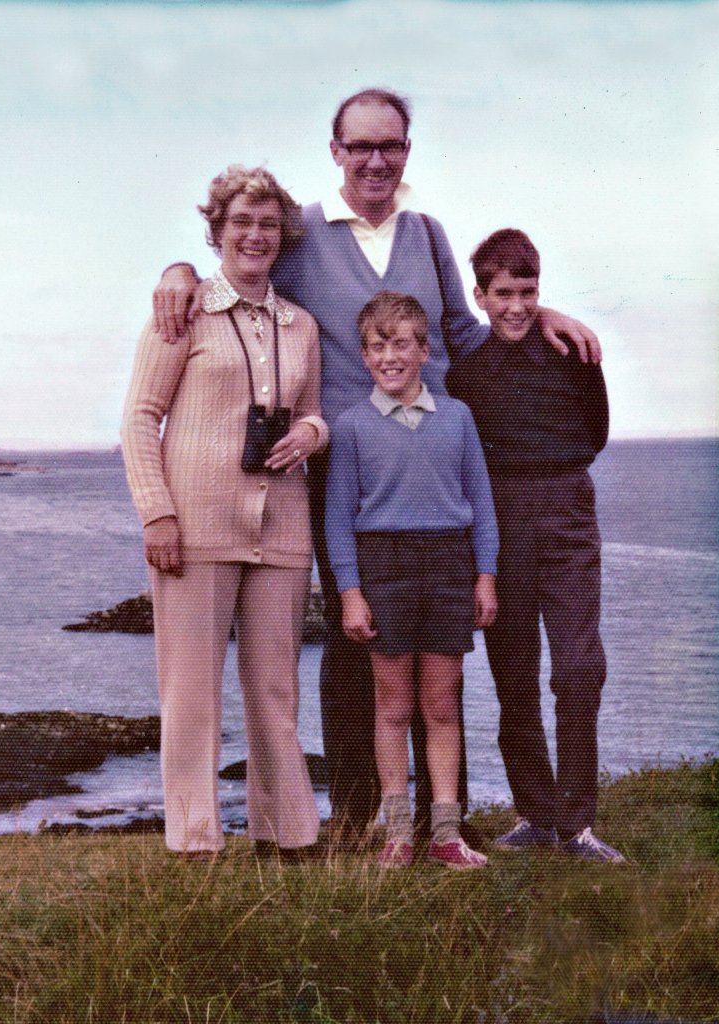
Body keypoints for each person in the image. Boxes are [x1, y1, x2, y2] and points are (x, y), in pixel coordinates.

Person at [150, 88, 602, 847]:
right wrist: (174, 269)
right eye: (359, 146)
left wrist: (541, 311)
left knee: (432, 651)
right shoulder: (300, 234)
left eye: (389, 145)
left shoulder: (426, 234)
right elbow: (238, 268)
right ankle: (359, 815)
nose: (375, 160)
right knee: (355, 642)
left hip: (433, 474)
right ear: (335, 153)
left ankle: (433, 820)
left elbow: (463, 327)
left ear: (406, 152)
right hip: (339, 471)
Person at [121, 165, 327, 859]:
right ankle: (195, 843)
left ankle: (288, 835)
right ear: (215, 232)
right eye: (241, 222)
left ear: (283, 236)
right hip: (195, 526)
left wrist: (314, 434)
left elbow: (311, 413)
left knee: (275, 689)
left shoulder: (302, 326)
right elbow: (139, 420)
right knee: (191, 694)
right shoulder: (180, 313)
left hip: (283, 527)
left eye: (268, 224)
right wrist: (157, 516)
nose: (255, 235)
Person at [446, 228, 625, 863]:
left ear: (539, 291)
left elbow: (595, 434)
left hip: (569, 515)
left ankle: (578, 825)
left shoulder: (574, 354)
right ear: (480, 296)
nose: (517, 306)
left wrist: (551, 474)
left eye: (528, 292)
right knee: (514, 676)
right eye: (503, 294)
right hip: (497, 525)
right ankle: (535, 813)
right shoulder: (464, 372)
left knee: (580, 667)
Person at [325, 292, 499, 868]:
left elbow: (482, 503)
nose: (390, 357)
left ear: (425, 350)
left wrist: (485, 576)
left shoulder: (458, 417)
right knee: (393, 706)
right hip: (384, 569)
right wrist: (350, 593)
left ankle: (445, 833)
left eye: (402, 344)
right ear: (365, 356)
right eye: (378, 346)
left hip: (449, 565)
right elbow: (338, 519)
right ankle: (398, 833)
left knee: (442, 704)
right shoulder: (350, 426)